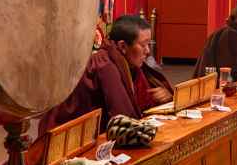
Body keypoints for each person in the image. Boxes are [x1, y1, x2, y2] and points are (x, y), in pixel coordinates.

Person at [42, 14, 173, 132]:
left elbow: (141, 98)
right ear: (122, 46)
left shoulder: (127, 61)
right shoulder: (105, 65)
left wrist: (166, 97)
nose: (148, 51)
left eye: (149, 44)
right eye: (143, 45)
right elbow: (124, 119)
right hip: (65, 134)